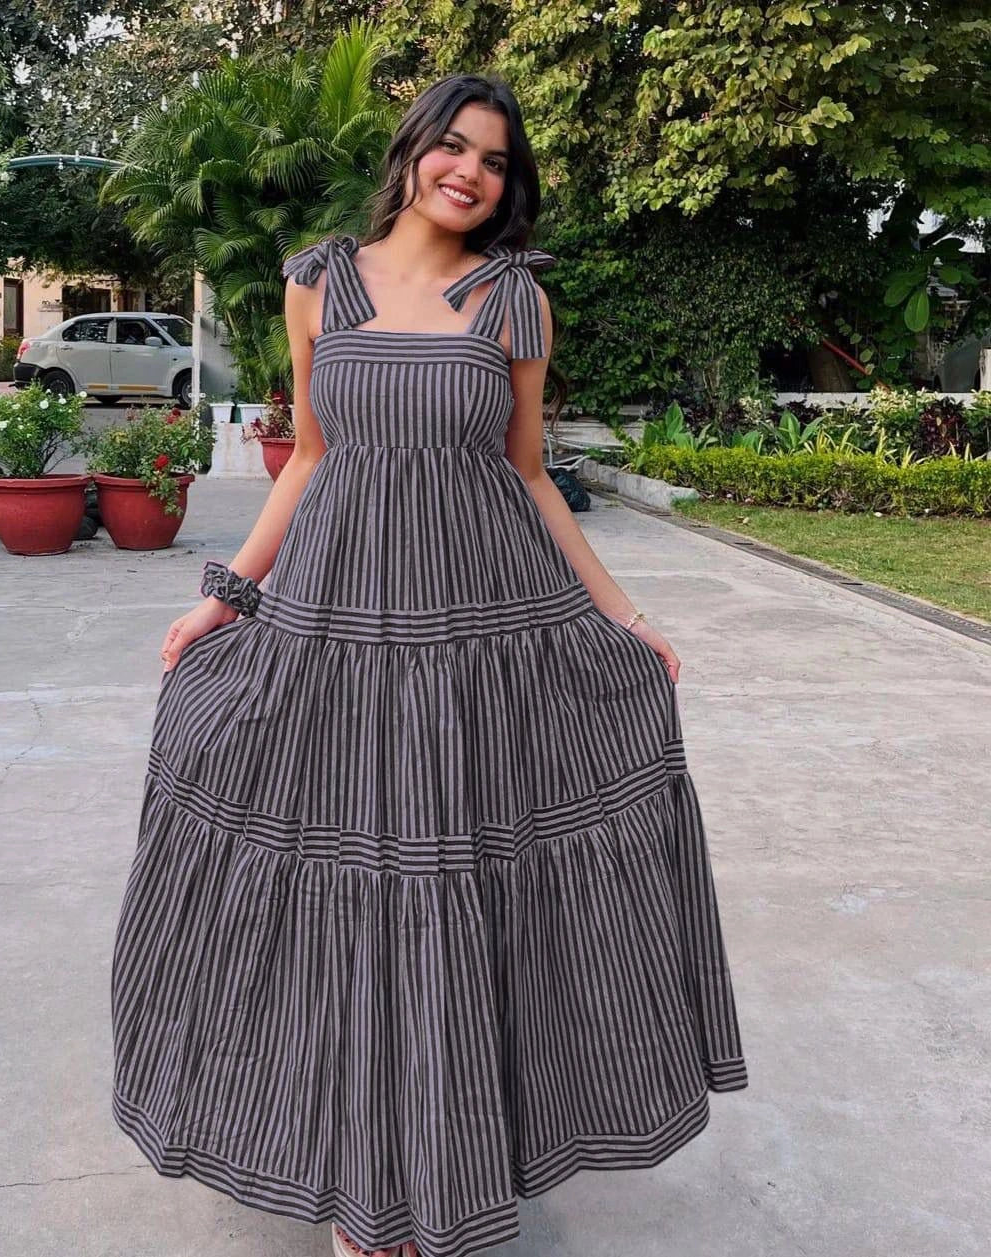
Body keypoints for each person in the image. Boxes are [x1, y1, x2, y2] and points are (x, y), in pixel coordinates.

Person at [110, 72, 748, 1257]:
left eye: (496, 161)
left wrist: (624, 616)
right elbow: (311, 455)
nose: (471, 173)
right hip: (338, 628)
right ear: (412, 152)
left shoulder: (514, 301)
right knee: (342, 884)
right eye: (455, 147)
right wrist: (224, 596)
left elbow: (527, 473)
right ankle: (366, 1188)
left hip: (476, 635)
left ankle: (434, 1180)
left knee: (456, 892)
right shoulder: (319, 281)